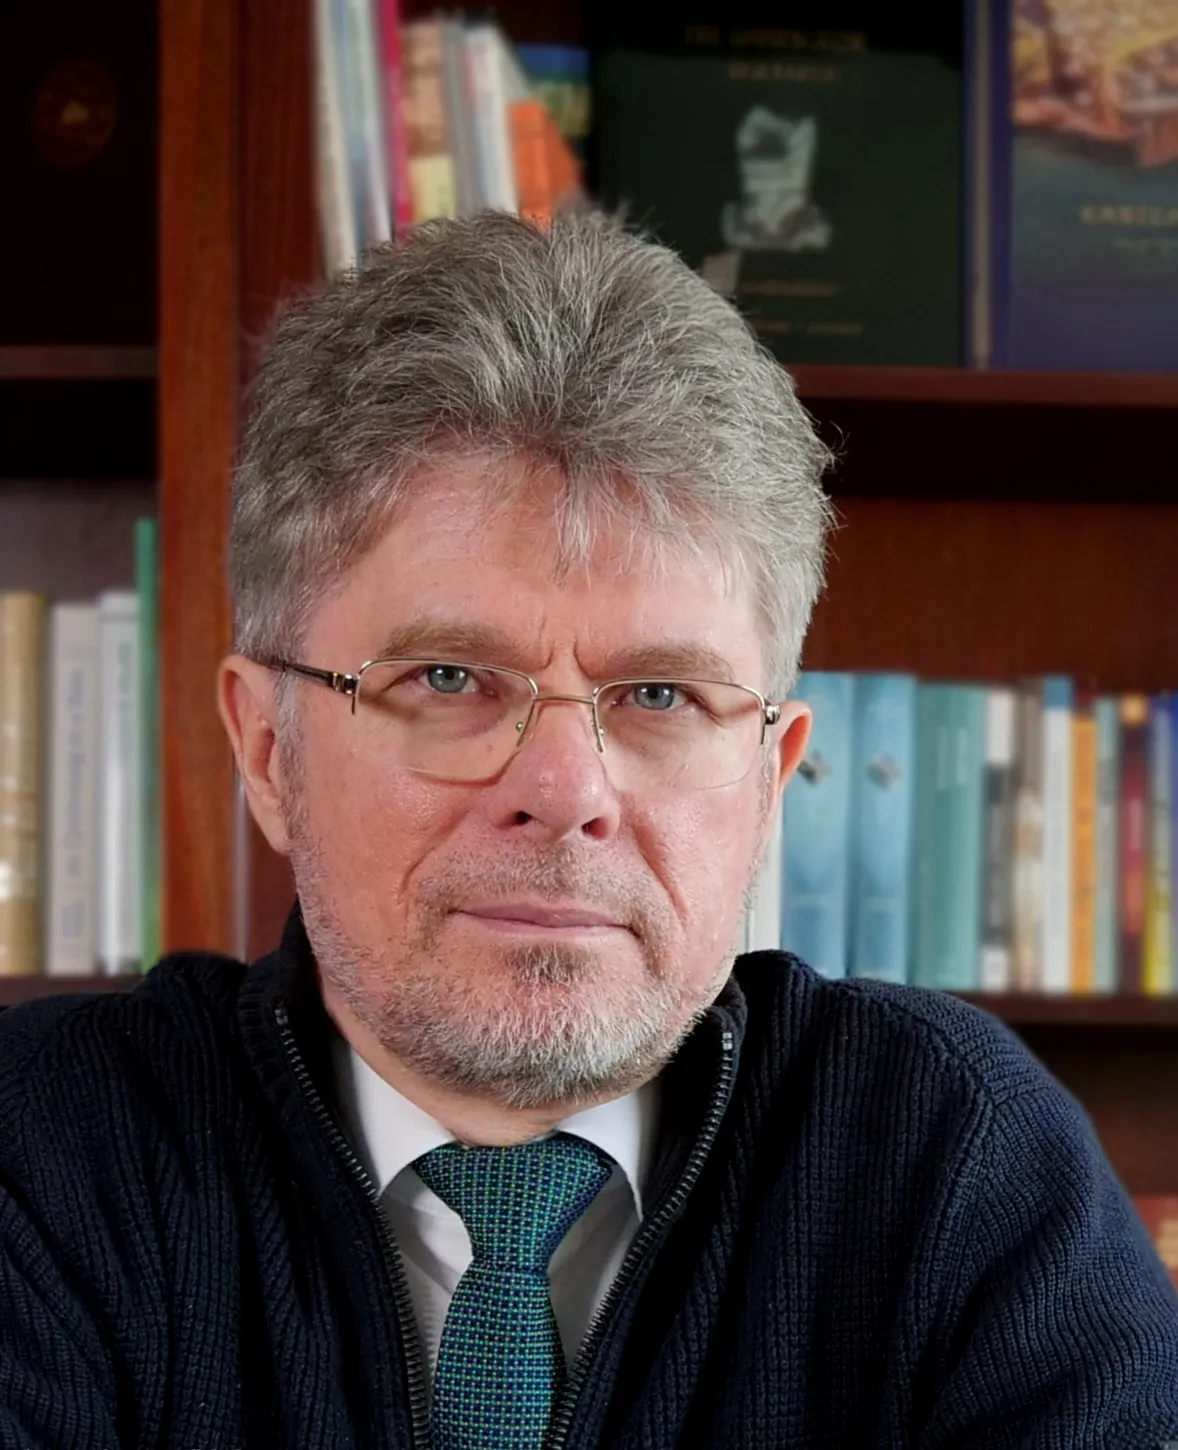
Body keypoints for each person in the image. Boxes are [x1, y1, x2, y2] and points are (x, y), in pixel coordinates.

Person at [2, 212, 1177, 1450]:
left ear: (770, 778)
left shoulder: (955, 1162)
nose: (564, 789)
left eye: (660, 695)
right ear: (265, 747)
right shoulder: (43, 1152)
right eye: (448, 678)